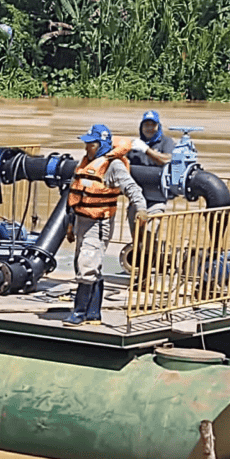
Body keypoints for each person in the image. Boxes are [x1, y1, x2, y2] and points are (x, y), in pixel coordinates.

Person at [64, 124, 150, 326]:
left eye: (91, 145)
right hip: (81, 221)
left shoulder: (114, 166)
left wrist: (141, 210)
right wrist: (70, 226)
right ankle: (94, 314)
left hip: (99, 223)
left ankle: (79, 312)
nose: (86, 148)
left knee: (87, 265)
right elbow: (74, 195)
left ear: (101, 145)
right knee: (86, 264)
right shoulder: (86, 162)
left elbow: (132, 188)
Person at [125, 109, 174, 244]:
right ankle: (140, 262)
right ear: (141, 127)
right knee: (136, 240)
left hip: (157, 200)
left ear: (158, 126)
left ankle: (153, 256)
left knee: (149, 236)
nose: (149, 128)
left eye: (153, 125)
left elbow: (166, 160)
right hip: (136, 199)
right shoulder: (135, 145)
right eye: (146, 125)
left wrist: (146, 150)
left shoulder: (166, 142)